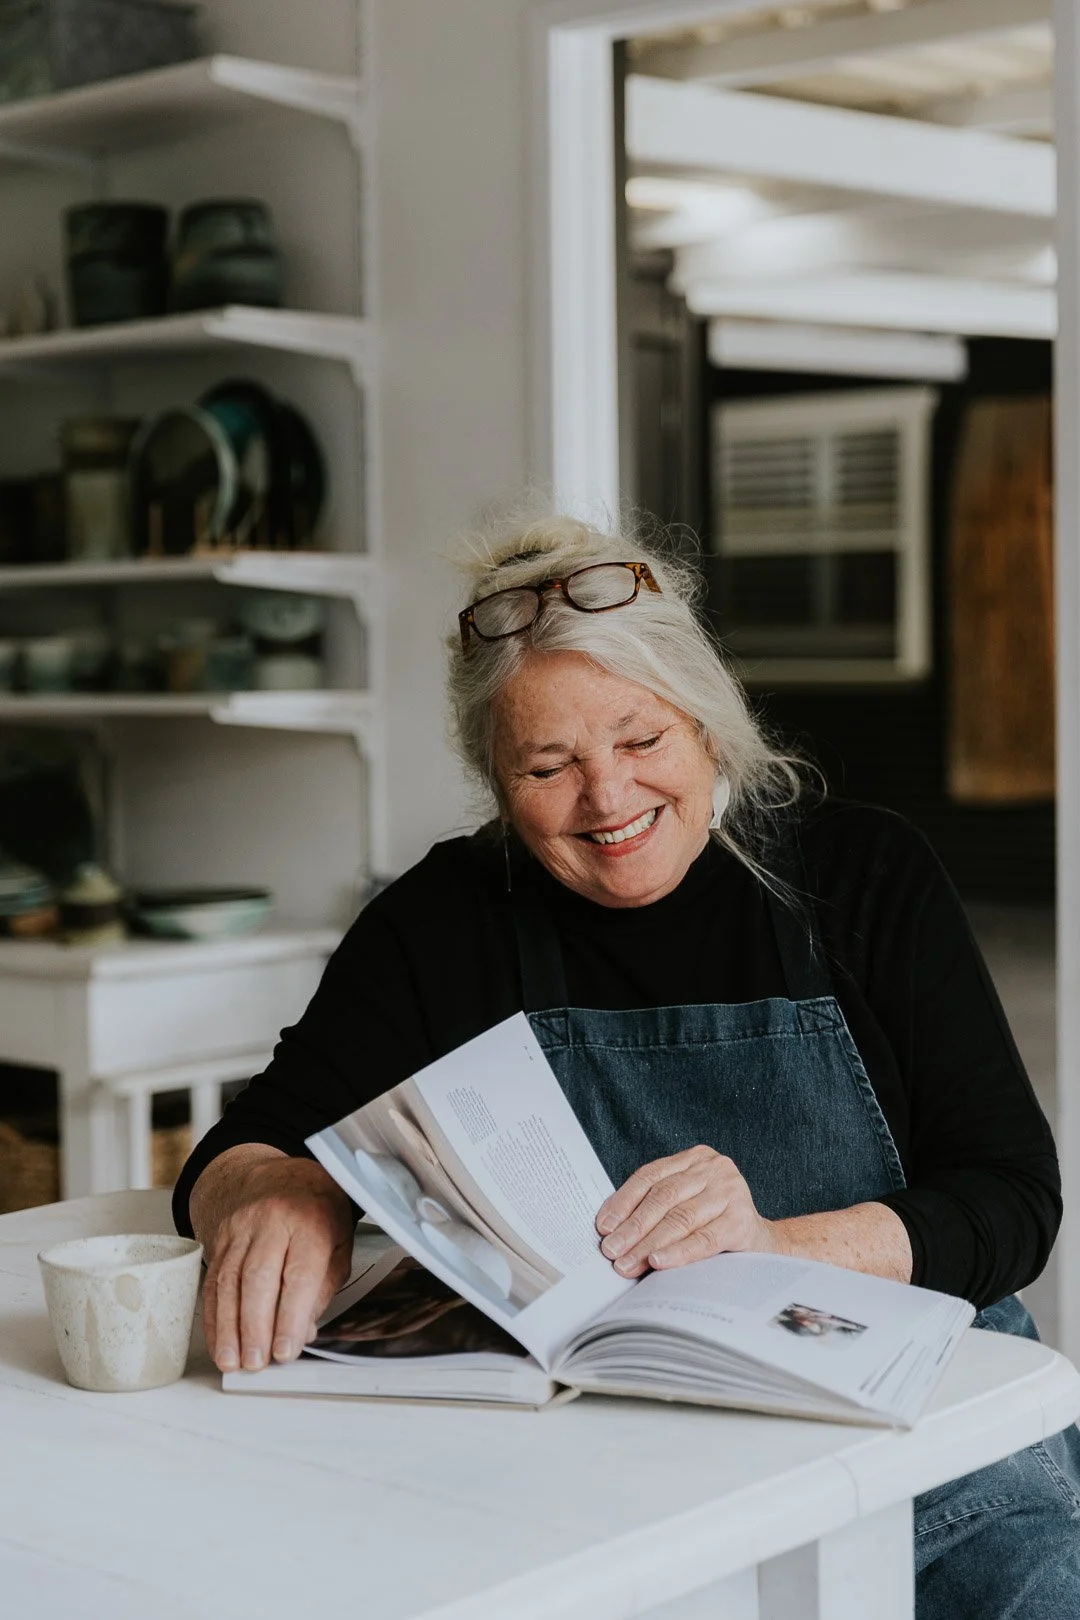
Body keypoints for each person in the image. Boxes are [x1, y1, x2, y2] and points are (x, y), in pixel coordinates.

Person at [175, 513, 1079, 1617]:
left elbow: (1013, 1200)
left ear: (708, 723)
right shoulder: (443, 919)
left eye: (641, 741)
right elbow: (237, 1148)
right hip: (612, 1472)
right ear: (497, 780)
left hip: (928, 1440)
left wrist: (769, 1250)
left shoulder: (865, 871)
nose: (607, 802)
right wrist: (285, 1190)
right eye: (548, 765)